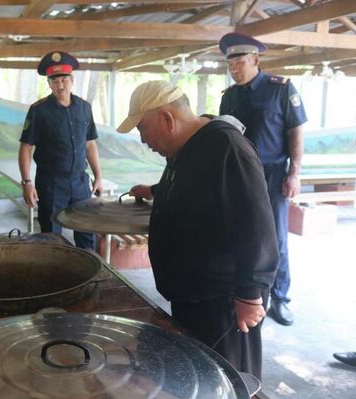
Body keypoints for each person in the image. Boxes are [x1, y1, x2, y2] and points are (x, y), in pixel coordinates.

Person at [117, 80, 279, 380]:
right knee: (197, 374)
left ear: (167, 118)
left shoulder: (226, 147)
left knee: (226, 377)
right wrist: (156, 190)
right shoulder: (185, 147)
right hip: (192, 293)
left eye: (142, 129)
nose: (143, 140)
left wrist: (250, 293)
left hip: (222, 301)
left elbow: (256, 223)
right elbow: (195, 188)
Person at [219, 33, 308, 327]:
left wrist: (294, 172)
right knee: (238, 232)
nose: (235, 69)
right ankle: (242, 289)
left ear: (255, 60)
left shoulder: (280, 90)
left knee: (276, 238)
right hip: (238, 174)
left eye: (240, 62)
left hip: (272, 175)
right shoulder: (229, 96)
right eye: (230, 64)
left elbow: (295, 133)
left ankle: (280, 298)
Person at [18, 51, 102, 249]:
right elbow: (26, 147)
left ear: (72, 80)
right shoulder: (39, 110)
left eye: (64, 79)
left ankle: (88, 274)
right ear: (49, 84)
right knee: (51, 236)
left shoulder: (84, 107)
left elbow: (90, 144)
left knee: (86, 233)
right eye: (55, 81)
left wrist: (98, 175)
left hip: (80, 182)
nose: (60, 85)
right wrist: (27, 182)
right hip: (51, 183)